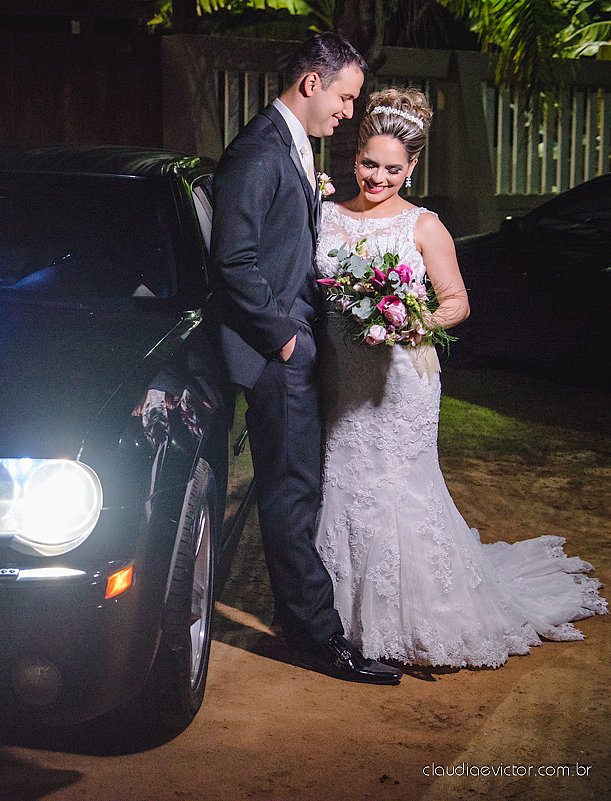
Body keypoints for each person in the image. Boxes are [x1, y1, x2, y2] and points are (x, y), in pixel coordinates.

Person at [314, 87, 608, 668]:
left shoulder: (423, 227)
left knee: (399, 488)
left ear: (412, 167)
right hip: (340, 377)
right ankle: (339, 614)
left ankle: (420, 616)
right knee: (343, 481)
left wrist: (404, 317)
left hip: (400, 380)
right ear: (354, 158)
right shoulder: (324, 215)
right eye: (369, 164)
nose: (378, 177)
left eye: (393, 168)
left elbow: (456, 304)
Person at [208, 33, 401, 684]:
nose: (349, 112)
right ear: (312, 85)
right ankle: (320, 638)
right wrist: (285, 338)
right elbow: (231, 258)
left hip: (295, 344)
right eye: (346, 97)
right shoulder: (259, 152)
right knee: (291, 496)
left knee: (299, 490)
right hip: (275, 354)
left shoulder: (289, 145)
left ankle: (303, 623)